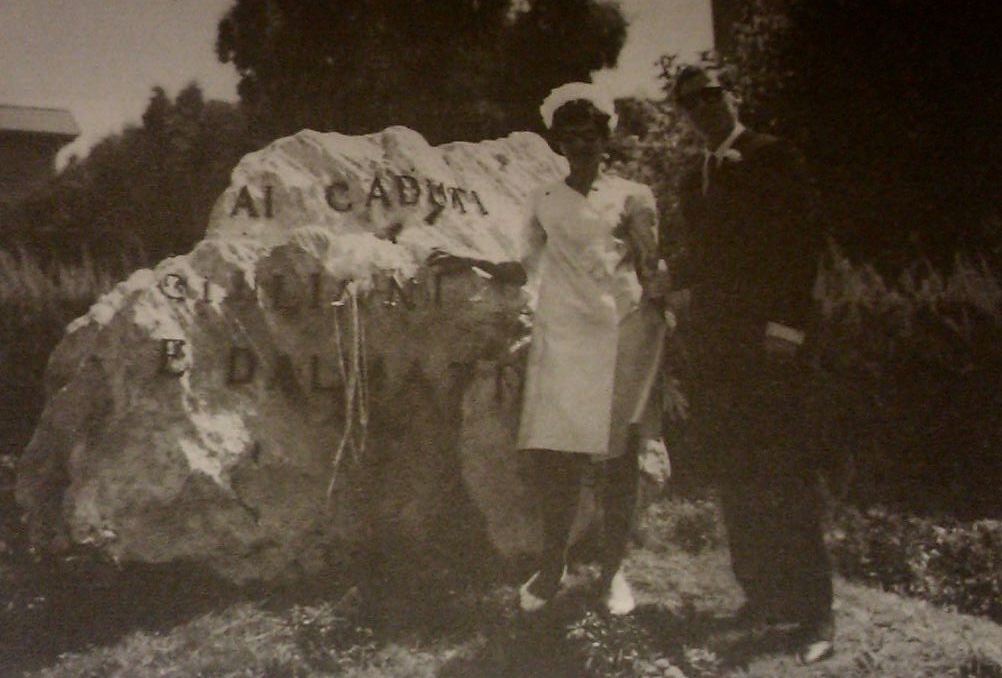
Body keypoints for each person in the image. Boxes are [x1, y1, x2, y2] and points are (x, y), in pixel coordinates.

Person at [670, 64, 835, 664]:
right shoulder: (694, 179)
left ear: (731, 96)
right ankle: (763, 596)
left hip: (772, 343)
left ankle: (815, 614)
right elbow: (703, 260)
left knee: (785, 475)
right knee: (736, 473)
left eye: (712, 96)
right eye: (691, 103)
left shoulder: (772, 156)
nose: (704, 108)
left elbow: (801, 241)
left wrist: (788, 327)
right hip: (719, 349)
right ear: (684, 115)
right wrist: (659, 284)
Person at [515, 82, 667, 616]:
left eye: (590, 135)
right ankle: (551, 565)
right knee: (558, 456)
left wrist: (667, 307)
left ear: (607, 138)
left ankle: (612, 571)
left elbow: (652, 268)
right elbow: (526, 262)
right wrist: (469, 263)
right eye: (570, 137)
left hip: (623, 332)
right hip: (564, 336)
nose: (581, 146)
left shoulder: (633, 195)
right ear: (557, 143)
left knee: (617, 457)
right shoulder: (545, 199)